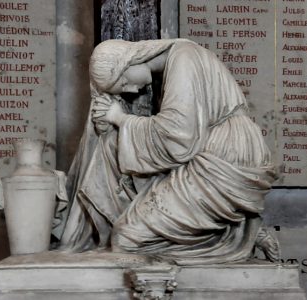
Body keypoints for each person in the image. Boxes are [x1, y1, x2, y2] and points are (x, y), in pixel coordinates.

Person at [57, 39, 278, 264]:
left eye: (124, 83)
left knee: (127, 239)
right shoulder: (179, 58)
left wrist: (119, 118)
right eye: (124, 88)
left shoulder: (184, 57)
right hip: (213, 151)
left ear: (129, 62)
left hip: (225, 156)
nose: (131, 90)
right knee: (128, 221)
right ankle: (234, 231)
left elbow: (177, 138)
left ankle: (235, 237)